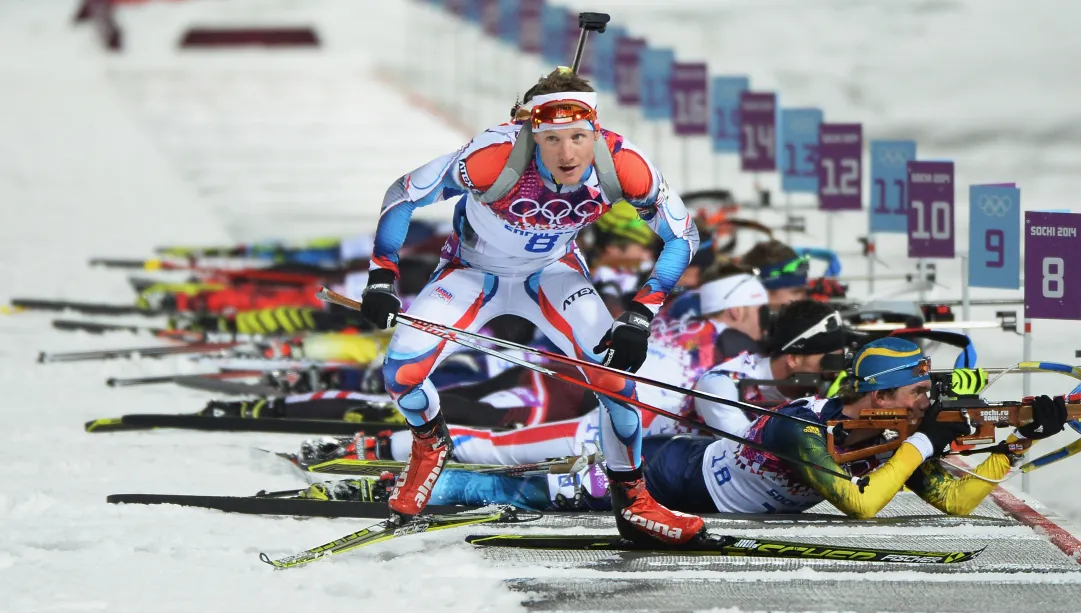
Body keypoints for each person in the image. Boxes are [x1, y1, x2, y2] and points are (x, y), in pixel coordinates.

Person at [358, 67, 706, 545]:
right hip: (471, 271)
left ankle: (634, 503)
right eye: (552, 139)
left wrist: (641, 313)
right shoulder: (494, 156)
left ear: (596, 131)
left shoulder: (624, 164)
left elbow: (682, 236)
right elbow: (403, 193)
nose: (568, 154)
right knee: (401, 374)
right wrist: (382, 275)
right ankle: (430, 444)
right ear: (530, 133)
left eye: (579, 137)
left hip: (551, 272)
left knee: (619, 384)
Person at [645, 337, 1068, 516]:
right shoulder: (800, 425)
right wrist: (923, 442)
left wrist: (1019, 440)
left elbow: (956, 500)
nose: (928, 402)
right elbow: (859, 505)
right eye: (917, 391)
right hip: (667, 474)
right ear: (880, 397)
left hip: (698, 493)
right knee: (578, 496)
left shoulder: (890, 436)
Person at [689, 300, 846, 437]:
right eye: (829, 361)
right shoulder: (721, 384)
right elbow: (744, 452)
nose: (836, 371)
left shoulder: (820, 388)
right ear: (793, 359)